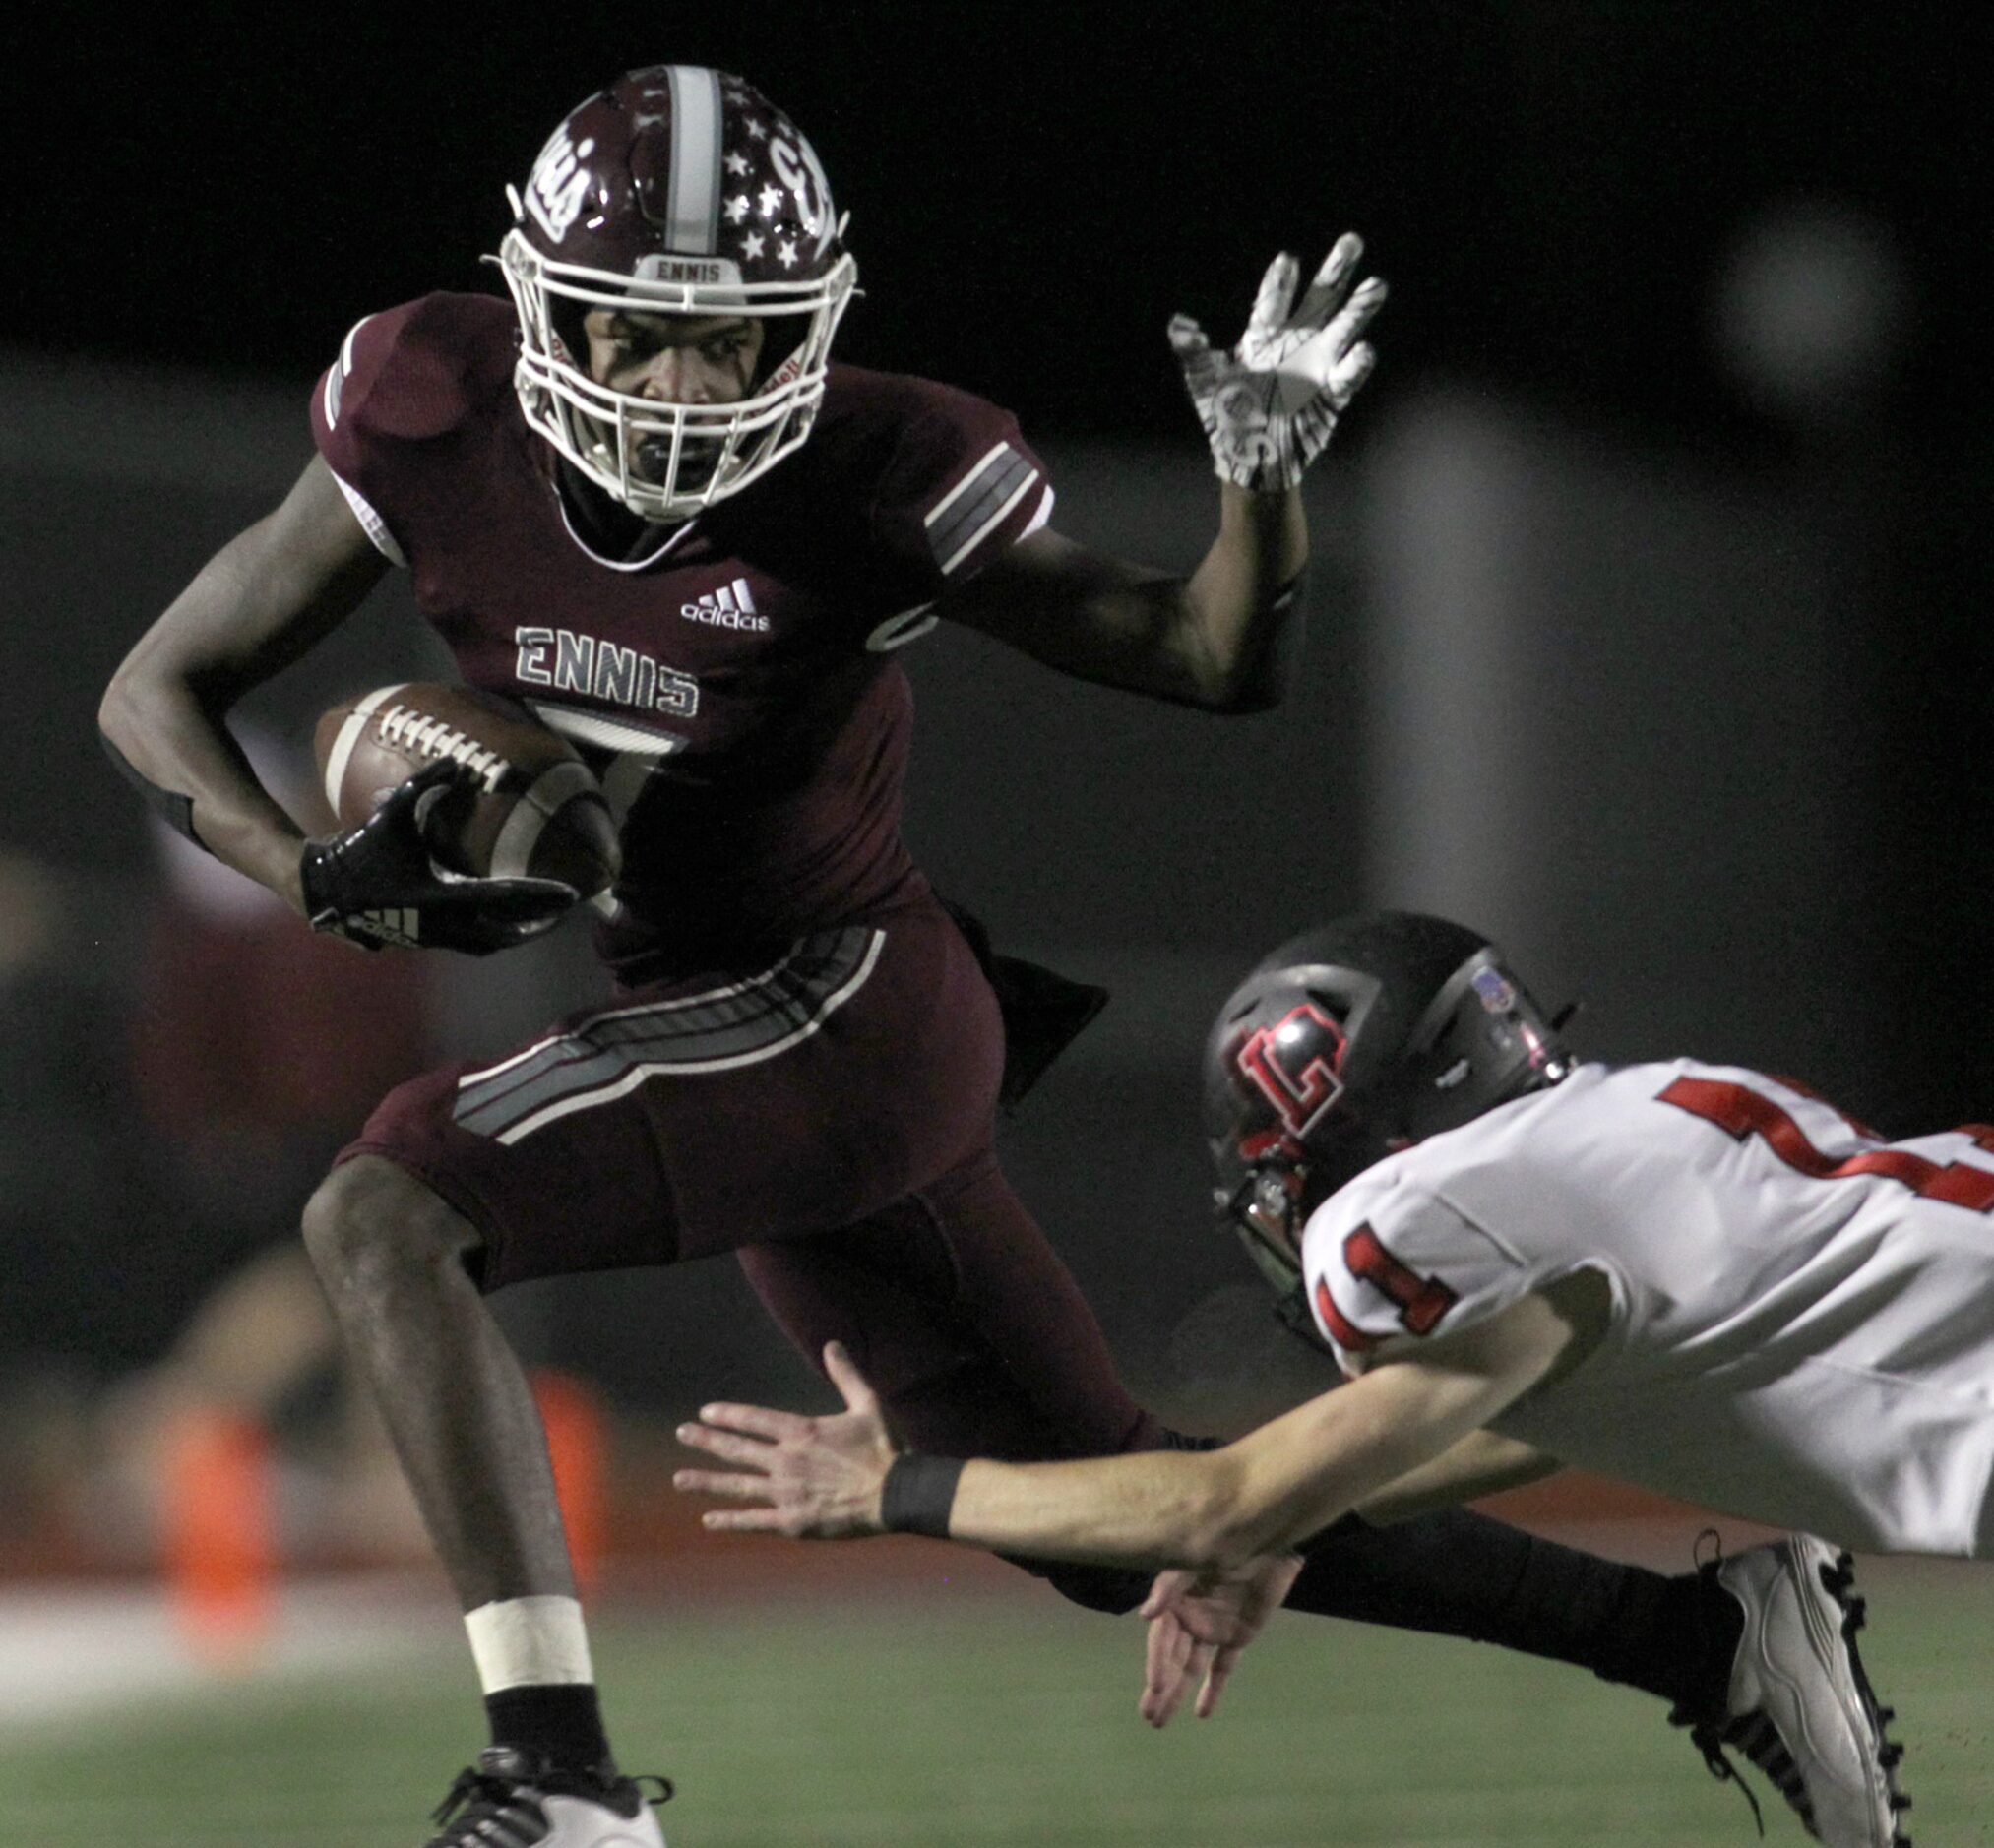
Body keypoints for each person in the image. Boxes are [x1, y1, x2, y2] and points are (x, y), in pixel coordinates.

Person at [97, 64, 1877, 1848]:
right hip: (721, 1004)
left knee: (385, 1208)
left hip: (849, 1000)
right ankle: (1696, 1632)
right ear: (540, 302)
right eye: (642, 334)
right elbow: (154, 691)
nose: (688, 385)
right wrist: (312, 874)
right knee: (1105, 1508)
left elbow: (1201, 657)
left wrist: (1258, 484)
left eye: (738, 341)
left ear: (813, 325)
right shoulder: (426, 403)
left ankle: (555, 1777)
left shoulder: (883, 465)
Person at [675, 909, 1944, 1848]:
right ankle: (1727, 1641)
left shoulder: (1441, 1210)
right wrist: (1307, 1509)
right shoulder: (1655, 1115)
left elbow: (1212, 1506)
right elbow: (1598, 1403)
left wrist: (897, 1488)